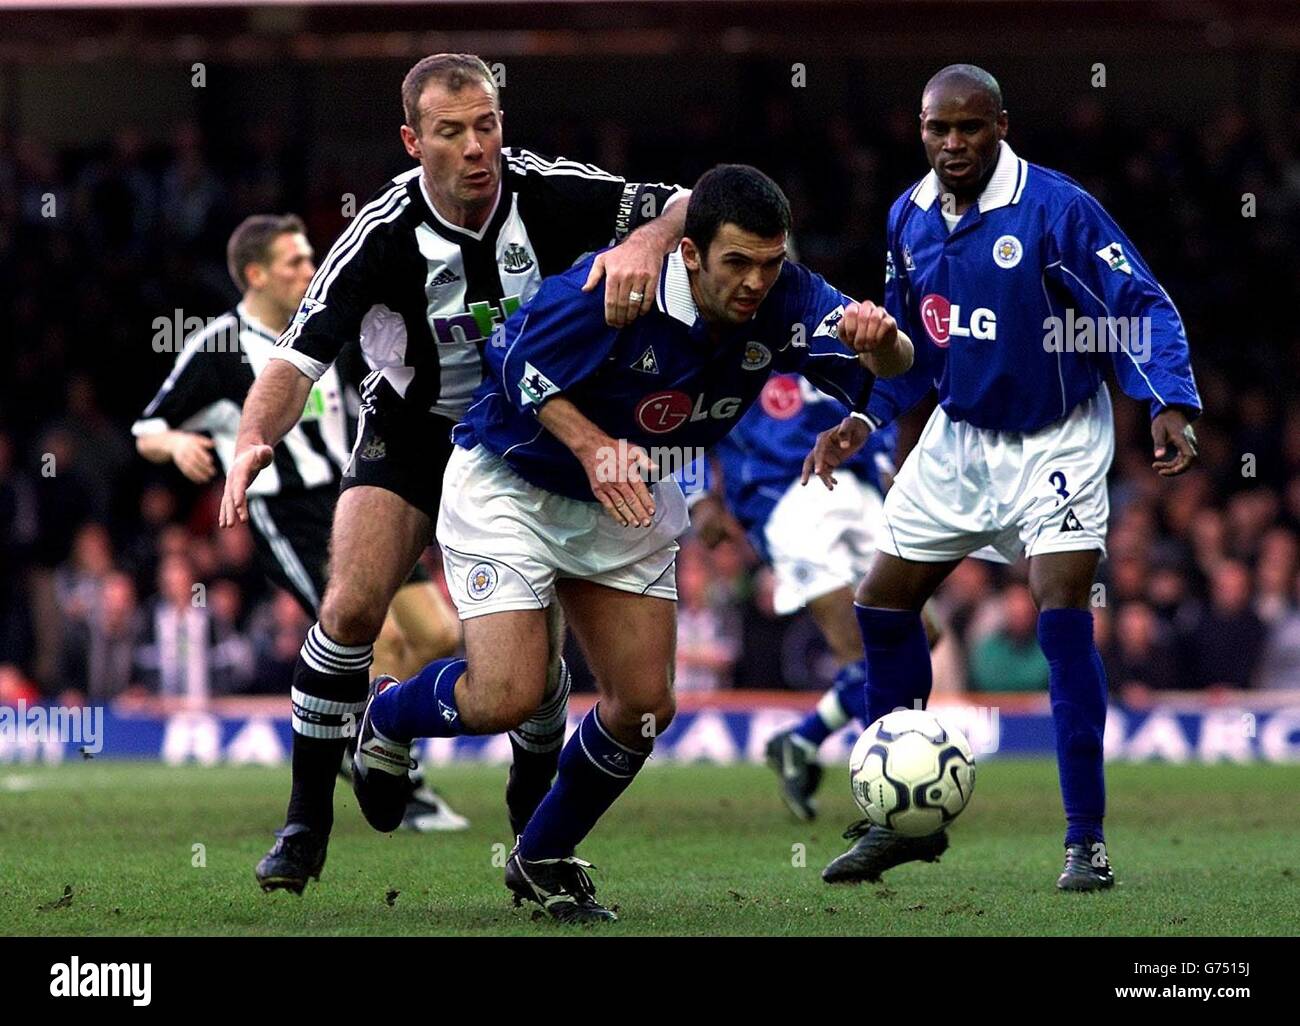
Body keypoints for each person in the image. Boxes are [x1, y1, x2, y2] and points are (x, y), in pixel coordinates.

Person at [348, 164, 913, 923]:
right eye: (736, 263)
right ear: (689, 254)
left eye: (769, 264)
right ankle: (387, 716)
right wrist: (590, 445)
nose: (755, 283)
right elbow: (514, 365)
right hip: (514, 482)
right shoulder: (614, 287)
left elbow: (900, 368)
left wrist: (885, 344)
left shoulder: (791, 299)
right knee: (507, 696)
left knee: (645, 705)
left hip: (626, 494)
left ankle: (542, 857)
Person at [217, 54, 691, 894]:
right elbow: (295, 360)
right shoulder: (380, 232)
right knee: (353, 605)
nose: (478, 148)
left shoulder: (548, 188)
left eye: (488, 126)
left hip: (526, 435)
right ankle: (304, 825)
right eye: (451, 132)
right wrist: (255, 436)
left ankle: (528, 820)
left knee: (534, 673)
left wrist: (649, 240)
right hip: (412, 433)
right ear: (412, 141)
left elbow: (688, 202)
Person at [805, 64, 1201, 891]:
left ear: (1002, 126)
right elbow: (910, 349)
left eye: (971, 128)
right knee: (880, 603)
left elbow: (1139, 304)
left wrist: (1167, 401)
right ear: (920, 130)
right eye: (937, 129)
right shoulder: (907, 216)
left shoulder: (1056, 209)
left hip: (1055, 439)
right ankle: (898, 822)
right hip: (958, 438)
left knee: (1061, 612)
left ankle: (1084, 841)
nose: (953, 144)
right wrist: (864, 417)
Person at [133, 213, 469, 892]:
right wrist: (177, 446)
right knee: (370, 635)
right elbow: (147, 425)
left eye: (309, 257)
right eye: (292, 262)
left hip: (356, 496)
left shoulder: (328, 324)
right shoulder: (219, 346)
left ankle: (367, 742)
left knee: (437, 633)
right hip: (286, 512)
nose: (307, 269)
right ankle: (396, 780)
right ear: (254, 274)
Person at [692, 373, 935, 821]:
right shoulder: (736, 324)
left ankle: (801, 740)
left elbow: (877, 382)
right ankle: (894, 792)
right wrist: (699, 494)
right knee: (859, 647)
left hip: (856, 483)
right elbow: (682, 403)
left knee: (923, 633)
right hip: (783, 494)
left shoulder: (835, 311)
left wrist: (882, 459)